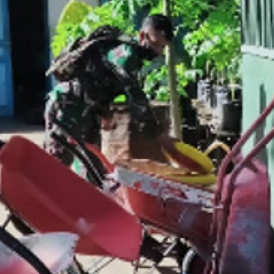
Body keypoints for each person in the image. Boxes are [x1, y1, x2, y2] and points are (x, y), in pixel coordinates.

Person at [43, 14, 178, 168]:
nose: (158, 52)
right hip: (68, 106)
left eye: (162, 47)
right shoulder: (125, 53)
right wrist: (158, 135)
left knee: (94, 168)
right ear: (142, 35)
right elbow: (135, 96)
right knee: (56, 163)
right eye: (155, 44)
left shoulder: (134, 56)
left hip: (89, 111)